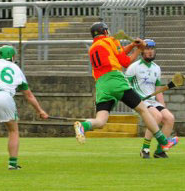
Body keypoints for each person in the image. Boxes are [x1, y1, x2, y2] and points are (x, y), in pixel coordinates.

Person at [74, 22, 178, 153]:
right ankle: (163, 142)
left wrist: (133, 45)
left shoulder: (93, 47)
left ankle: (83, 126)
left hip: (101, 85)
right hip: (115, 80)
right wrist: (139, 49)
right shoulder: (111, 40)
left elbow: (118, 53)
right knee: (143, 109)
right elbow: (125, 61)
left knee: (100, 121)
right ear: (105, 32)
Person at [125, 39, 176, 159]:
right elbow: (125, 86)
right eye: (147, 49)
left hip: (152, 101)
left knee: (169, 118)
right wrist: (134, 97)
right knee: (157, 116)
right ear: (142, 51)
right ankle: (145, 149)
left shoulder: (156, 68)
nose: (150, 52)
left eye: (152, 49)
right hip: (140, 101)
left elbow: (158, 91)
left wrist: (163, 107)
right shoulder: (134, 67)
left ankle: (160, 151)